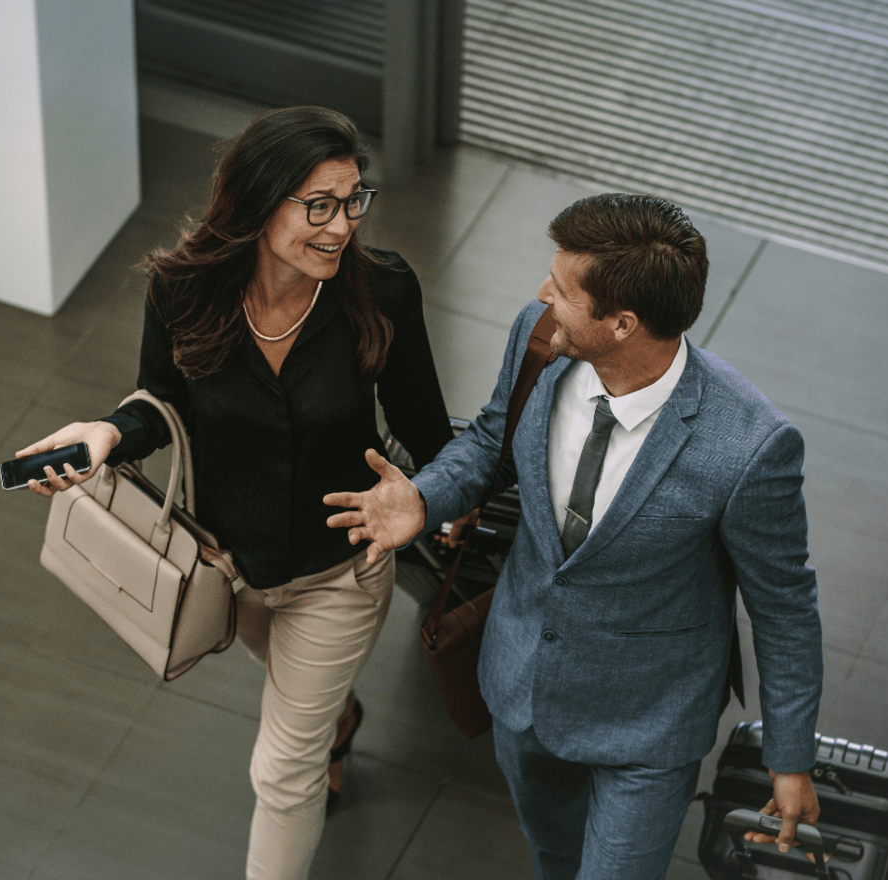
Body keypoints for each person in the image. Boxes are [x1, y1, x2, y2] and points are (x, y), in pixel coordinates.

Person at [324, 193, 824, 879]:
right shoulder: (540, 339)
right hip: (521, 681)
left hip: (649, 723)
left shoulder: (748, 447)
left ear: (623, 323)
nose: (540, 294)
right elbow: (493, 436)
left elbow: (786, 608)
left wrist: (790, 757)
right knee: (555, 857)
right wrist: (426, 496)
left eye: (562, 290)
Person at [15, 107, 453, 880]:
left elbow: (425, 427)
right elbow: (164, 401)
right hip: (231, 567)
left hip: (339, 572)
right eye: (318, 204)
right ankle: (337, 718)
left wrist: (441, 501)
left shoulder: (380, 291)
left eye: (354, 201)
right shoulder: (183, 289)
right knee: (296, 689)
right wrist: (111, 433)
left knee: (283, 772)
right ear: (258, 201)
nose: (340, 225)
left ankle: (321, 732)